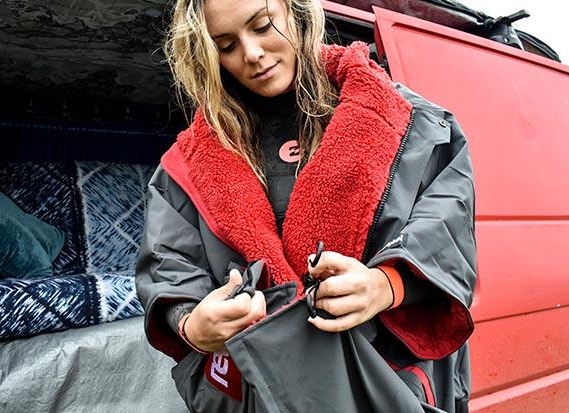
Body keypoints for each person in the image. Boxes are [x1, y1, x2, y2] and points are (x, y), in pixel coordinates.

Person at [136, 0, 476, 411]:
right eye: (225, 45)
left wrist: (384, 286)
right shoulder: (186, 165)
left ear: (294, 11)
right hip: (261, 395)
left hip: (385, 383)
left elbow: (447, 229)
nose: (252, 54)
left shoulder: (412, 122)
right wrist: (192, 326)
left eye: (262, 26)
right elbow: (167, 264)